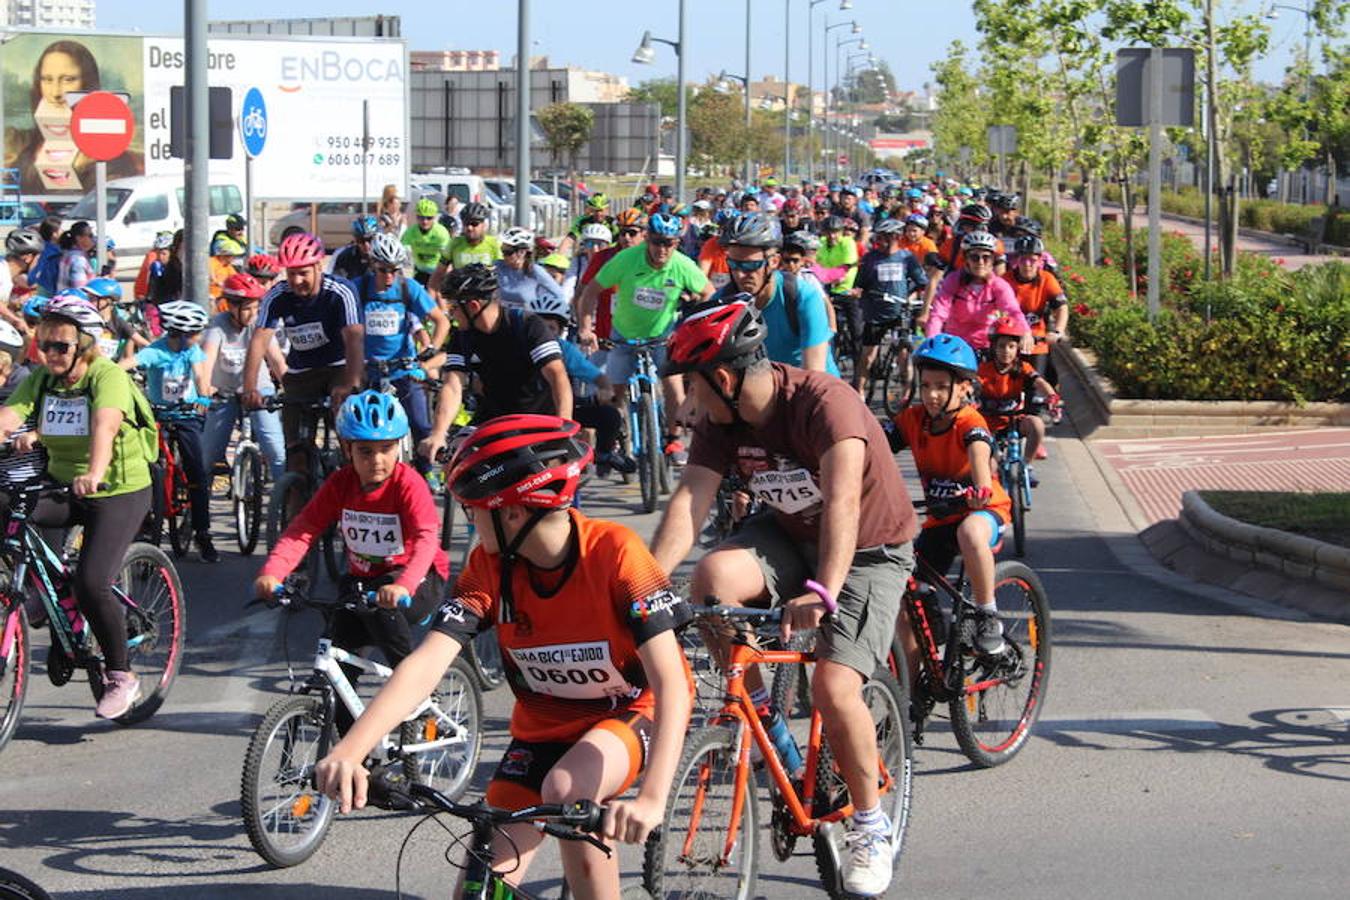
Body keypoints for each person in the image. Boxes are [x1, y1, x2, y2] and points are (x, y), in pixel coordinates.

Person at [315, 415, 693, 899]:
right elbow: (427, 663)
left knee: (565, 790)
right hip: (543, 732)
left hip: (635, 713)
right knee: (478, 886)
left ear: (512, 513)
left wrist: (653, 798)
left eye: (474, 511)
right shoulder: (488, 566)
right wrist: (352, 749)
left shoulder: (617, 553)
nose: (470, 523)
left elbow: (671, 683)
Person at [650, 300, 917, 898]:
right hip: (790, 534)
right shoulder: (722, 423)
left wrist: (824, 591)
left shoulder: (825, 404)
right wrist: (643, 587)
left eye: (692, 385)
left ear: (722, 377)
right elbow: (690, 505)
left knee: (832, 685)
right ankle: (770, 726)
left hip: (868, 549)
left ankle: (870, 828)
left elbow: (844, 503)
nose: (688, 402)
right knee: (712, 581)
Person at [0, 295, 156, 719]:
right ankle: (36, 589)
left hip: (115, 487)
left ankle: (121, 674)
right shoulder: (44, 379)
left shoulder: (107, 377)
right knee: (8, 511)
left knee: (91, 582)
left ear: (84, 346)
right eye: (44, 344)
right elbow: (10, 416)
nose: (49, 353)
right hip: (62, 483)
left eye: (60, 346)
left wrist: (95, 470)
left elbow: (105, 425)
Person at [255, 391, 448, 731]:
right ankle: (352, 754)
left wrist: (402, 583)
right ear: (347, 449)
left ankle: (419, 698)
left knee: (383, 614)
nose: (377, 459)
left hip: (418, 577)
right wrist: (274, 572)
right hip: (364, 581)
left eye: (386, 449)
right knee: (338, 663)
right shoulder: (341, 483)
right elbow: (304, 529)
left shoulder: (408, 484)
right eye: (365, 451)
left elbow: (426, 539)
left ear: (399, 447)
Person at [890, 333, 1011, 663]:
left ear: (964, 387)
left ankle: (987, 616)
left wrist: (979, 491)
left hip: (983, 511)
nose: (931, 395)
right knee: (908, 596)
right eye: (926, 385)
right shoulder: (913, 420)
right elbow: (872, 450)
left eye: (941, 386)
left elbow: (980, 458)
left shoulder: (970, 422)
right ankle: (914, 694)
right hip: (941, 517)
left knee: (970, 532)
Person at [575, 213, 713, 466]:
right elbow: (591, 291)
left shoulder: (682, 265)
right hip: (624, 335)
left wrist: (693, 327)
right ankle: (616, 438)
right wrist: (586, 327)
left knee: (672, 384)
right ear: (647, 239)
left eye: (669, 243)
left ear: (677, 244)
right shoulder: (626, 259)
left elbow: (709, 294)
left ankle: (674, 439)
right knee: (615, 392)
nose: (663, 249)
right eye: (658, 242)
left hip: (662, 336)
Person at [243, 232, 364, 480]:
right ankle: (296, 503)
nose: (296, 281)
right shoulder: (277, 295)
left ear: (318, 267)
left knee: (349, 436)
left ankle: (353, 483)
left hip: (339, 367)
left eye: (303, 273)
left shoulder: (341, 292)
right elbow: (259, 340)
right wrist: (249, 387)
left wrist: (349, 384)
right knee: (295, 452)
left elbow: (355, 340)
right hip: (301, 373)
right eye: (290, 274)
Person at [418, 264, 571, 461]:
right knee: (456, 461)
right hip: (494, 419)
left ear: (473, 306)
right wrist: (438, 433)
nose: (451, 315)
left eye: (454, 308)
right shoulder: (462, 337)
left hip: (538, 420)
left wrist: (564, 424)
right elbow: (453, 385)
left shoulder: (528, 325)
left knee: (538, 483)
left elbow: (557, 376)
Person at [134, 301, 217, 562]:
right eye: (194, 334)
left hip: (186, 414)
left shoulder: (192, 351)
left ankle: (203, 533)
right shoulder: (155, 351)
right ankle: (144, 521)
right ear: (178, 334)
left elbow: (201, 378)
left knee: (196, 472)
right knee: (142, 466)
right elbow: (131, 361)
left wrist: (203, 398)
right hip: (158, 415)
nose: (198, 338)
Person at [358, 234, 449, 469]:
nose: (389, 277)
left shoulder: (409, 288)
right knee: (363, 429)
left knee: (420, 424)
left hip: (404, 369)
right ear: (373, 265)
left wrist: (429, 352)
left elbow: (442, 322)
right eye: (383, 270)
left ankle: (426, 473)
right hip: (369, 371)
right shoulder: (359, 288)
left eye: (394, 270)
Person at [525, 290, 634, 477]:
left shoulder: (565, 350)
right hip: (527, 415)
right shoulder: (520, 346)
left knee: (610, 416)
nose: (544, 333)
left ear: (560, 331)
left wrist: (606, 390)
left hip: (563, 412)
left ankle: (604, 454)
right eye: (540, 327)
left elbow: (598, 377)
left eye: (550, 328)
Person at [713, 213, 838, 375]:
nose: (740, 275)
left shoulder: (803, 296)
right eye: (733, 264)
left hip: (811, 387)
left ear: (773, 262)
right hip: (765, 386)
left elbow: (814, 376)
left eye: (750, 266)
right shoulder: (722, 300)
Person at [202, 273, 287, 482]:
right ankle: (198, 510)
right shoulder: (217, 326)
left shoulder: (261, 324)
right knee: (207, 458)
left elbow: (276, 361)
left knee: (277, 452)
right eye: (247, 308)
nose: (253, 314)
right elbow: (207, 361)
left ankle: (287, 502)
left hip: (259, 391)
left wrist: (291, 387)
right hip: (224, 393)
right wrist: (204, 391)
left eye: (256, 307)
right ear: (231, 306)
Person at [851, 218, 929, 397]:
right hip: (875, 313)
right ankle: (859, 390)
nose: (882, 241)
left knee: (903, 356)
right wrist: (857, 292)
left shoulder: (907, 258)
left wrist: (911, 298)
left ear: (896, 237)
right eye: (880, 237)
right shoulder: (870, 258)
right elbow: (859, 284)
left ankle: (906, 394)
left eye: (886, 237)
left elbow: (921, 283)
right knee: (868, 355)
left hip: (900, 313)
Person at [925, 231, 1029, 353]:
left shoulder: (999, 285)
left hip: (986, 346)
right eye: (975, 257)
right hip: (955, 346)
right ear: (966, 259)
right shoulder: (953, 280)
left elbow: (1012, 310)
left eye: (986, 257)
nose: (980, 262)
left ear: (993, 261)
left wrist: (1025, 331)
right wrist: (932, 339)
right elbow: (938, 313)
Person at [1002, 235, 1068, 378]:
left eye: (1032, 260)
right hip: (1009, 344)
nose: (1027, 264)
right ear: (1015, 260)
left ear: (1040, 260)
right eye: (1022, 259)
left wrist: (1058, 332)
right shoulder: (1005, 281)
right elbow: (995, 310)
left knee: (1039, 388)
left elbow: (1061, 308)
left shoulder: (1047, 279)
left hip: (1037, 342)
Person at [494, 227, 567, 313]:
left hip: (528, 318)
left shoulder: (535, 270)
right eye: (503, 250)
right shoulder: (499, 266)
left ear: (522, 252)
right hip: (503, 318)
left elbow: (559, 295)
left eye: (508, 252)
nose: (503, 255)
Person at [82, 277, 144, 366]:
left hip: (110, 369)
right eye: (88, 298)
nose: (88, 302)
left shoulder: (117, 322)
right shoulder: (86, 320)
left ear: (108, 301)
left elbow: (141, 342)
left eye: (92, 298)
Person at [401, 198, 451, 288]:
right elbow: (401, 250)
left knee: (438, 295)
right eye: (421, 217)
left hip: (438, 271)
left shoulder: (441, 233)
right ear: (416, 217)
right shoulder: (411, 232)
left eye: (429, 218)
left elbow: (448, 256)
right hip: (420, 271)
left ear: (435, 217)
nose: (425, 221)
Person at [3, 228, 43, 322]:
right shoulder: (3, 274)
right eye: (38, 259)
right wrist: (16, 320)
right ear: (28, 258)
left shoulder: (7, 275)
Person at [331, 215, 380, 283]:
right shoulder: (345, 256)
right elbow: (337, 281)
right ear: (355, 240)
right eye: (361, 240)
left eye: (370, 240)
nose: (366, 245)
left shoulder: (382, 256)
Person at [56, 221, 95, 293]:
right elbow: (80, 291)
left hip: (63, 299)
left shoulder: (67, 253)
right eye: (90, 235)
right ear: (79, 238)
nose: (93, 239)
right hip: (76, 302)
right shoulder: (79, 260)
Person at [208, 235, 243, 306]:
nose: (234, 258)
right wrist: (221, 283)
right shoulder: (211, 262)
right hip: (212, 298)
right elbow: (212, 279)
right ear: (226, 255)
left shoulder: (228, 266)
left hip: (224, 297)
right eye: (232, 256)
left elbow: (235, 279)